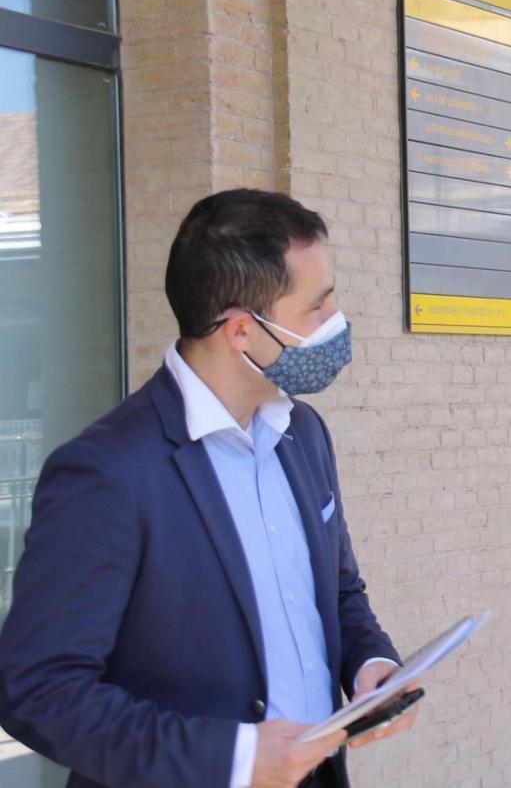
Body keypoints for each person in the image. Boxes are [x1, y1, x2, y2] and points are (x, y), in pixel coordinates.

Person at [0, 189, 418, 788]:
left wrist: (373, 663)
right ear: (243, 331)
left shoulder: (302, 432)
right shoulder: (107, 471)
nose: (337, 322)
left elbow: (339, 589)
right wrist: (236, 758)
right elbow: (38, 691)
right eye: (317, 307)